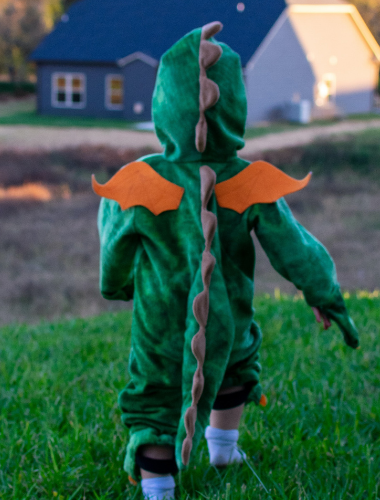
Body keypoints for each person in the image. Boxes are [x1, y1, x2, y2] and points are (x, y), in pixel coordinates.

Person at [93, 21, 360, 500]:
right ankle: (222, 444)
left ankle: (158, 488)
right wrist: (323, 294)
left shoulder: (138, 183)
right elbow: (293, 244)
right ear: (235, 104)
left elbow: (114, 247)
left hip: (159, 320)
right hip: (229, 314)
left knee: (155, 393)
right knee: (236, 363)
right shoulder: (246, 181)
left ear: (165, 102)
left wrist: (116, 286)